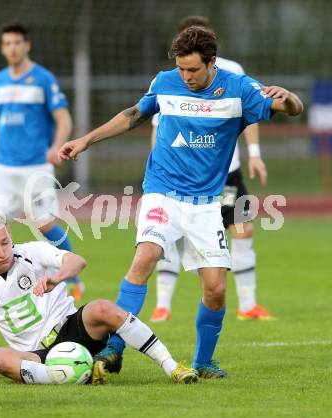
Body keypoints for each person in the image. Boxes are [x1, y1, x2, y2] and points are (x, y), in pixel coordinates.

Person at [58, 26, 303, 378]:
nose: (185, 76)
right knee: (145, 256)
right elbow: (133, 115)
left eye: (193, 70)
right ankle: (114, 347)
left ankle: (204, 362)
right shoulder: (165, 81)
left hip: (205, 203)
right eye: (181, 68)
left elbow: (291, 108)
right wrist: (86, 140)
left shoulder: (239, 88)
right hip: (163, 191)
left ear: (212, 62)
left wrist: (290, 97)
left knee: (216, 289)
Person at [0, 213, 198, 385]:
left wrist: (59, 277)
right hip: (35, 354)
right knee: (0, 358)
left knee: (102, 308)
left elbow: (77, 261)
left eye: (5, 242)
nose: (2, 251)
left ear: (10, 236)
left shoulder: (31, 252)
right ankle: (77, 375)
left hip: (70, 328)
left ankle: (172, 367)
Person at [150, 15, 273, 323]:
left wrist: (255, 153)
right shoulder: (170, 79)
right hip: (180, 176)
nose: (187, 71)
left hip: (227, 172)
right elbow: (157, 123)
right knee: (170, 237)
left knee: (243, 230)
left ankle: (248, 304)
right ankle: (162, 304)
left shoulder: (233, 73)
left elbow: (252, 114)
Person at [0, 22, 83, 300]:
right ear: (2, 48)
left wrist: (56, 147)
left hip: (35, 167)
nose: (12, 48)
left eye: (17, 43)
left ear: (27, 45)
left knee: (44, 224)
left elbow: (64, 118)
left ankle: (72, 277)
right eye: (7, 44)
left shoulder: (43, 79)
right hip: (2, 169)